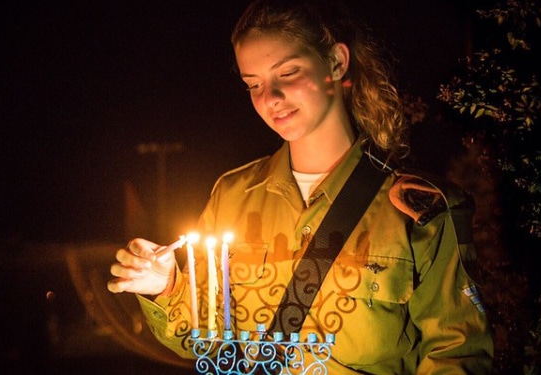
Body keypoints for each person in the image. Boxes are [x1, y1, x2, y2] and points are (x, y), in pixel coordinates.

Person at [108, 0, 494, 373]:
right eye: (253, 84)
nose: (270, 98)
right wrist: (167, 286)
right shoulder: (232, 195)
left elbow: (456, 353)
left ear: (337, 62)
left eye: (288, 73)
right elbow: (209, 341)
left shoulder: (420, 211)